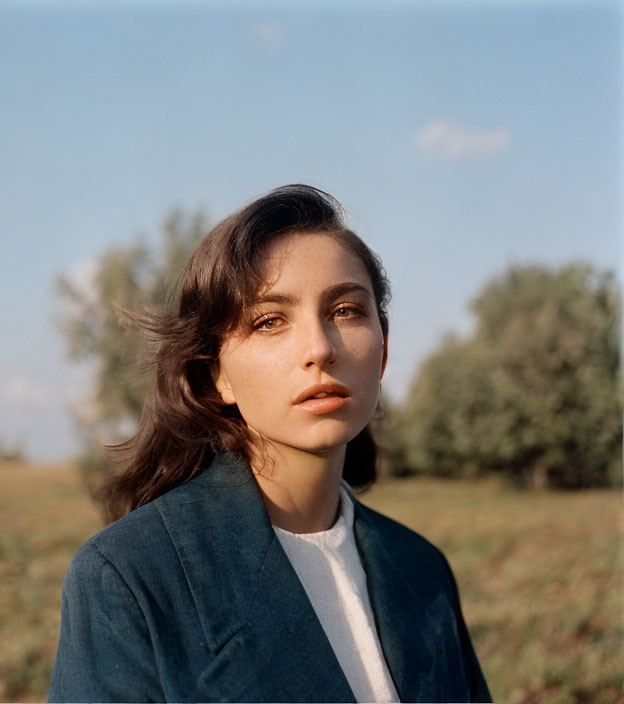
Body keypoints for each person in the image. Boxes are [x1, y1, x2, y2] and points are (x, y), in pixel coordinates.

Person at [47, 185, 491, 703]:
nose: (320, 348)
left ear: (384, 351)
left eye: (346, 311)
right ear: (219, 377)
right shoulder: (131, 577)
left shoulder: (422, 569)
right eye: (270, 320)